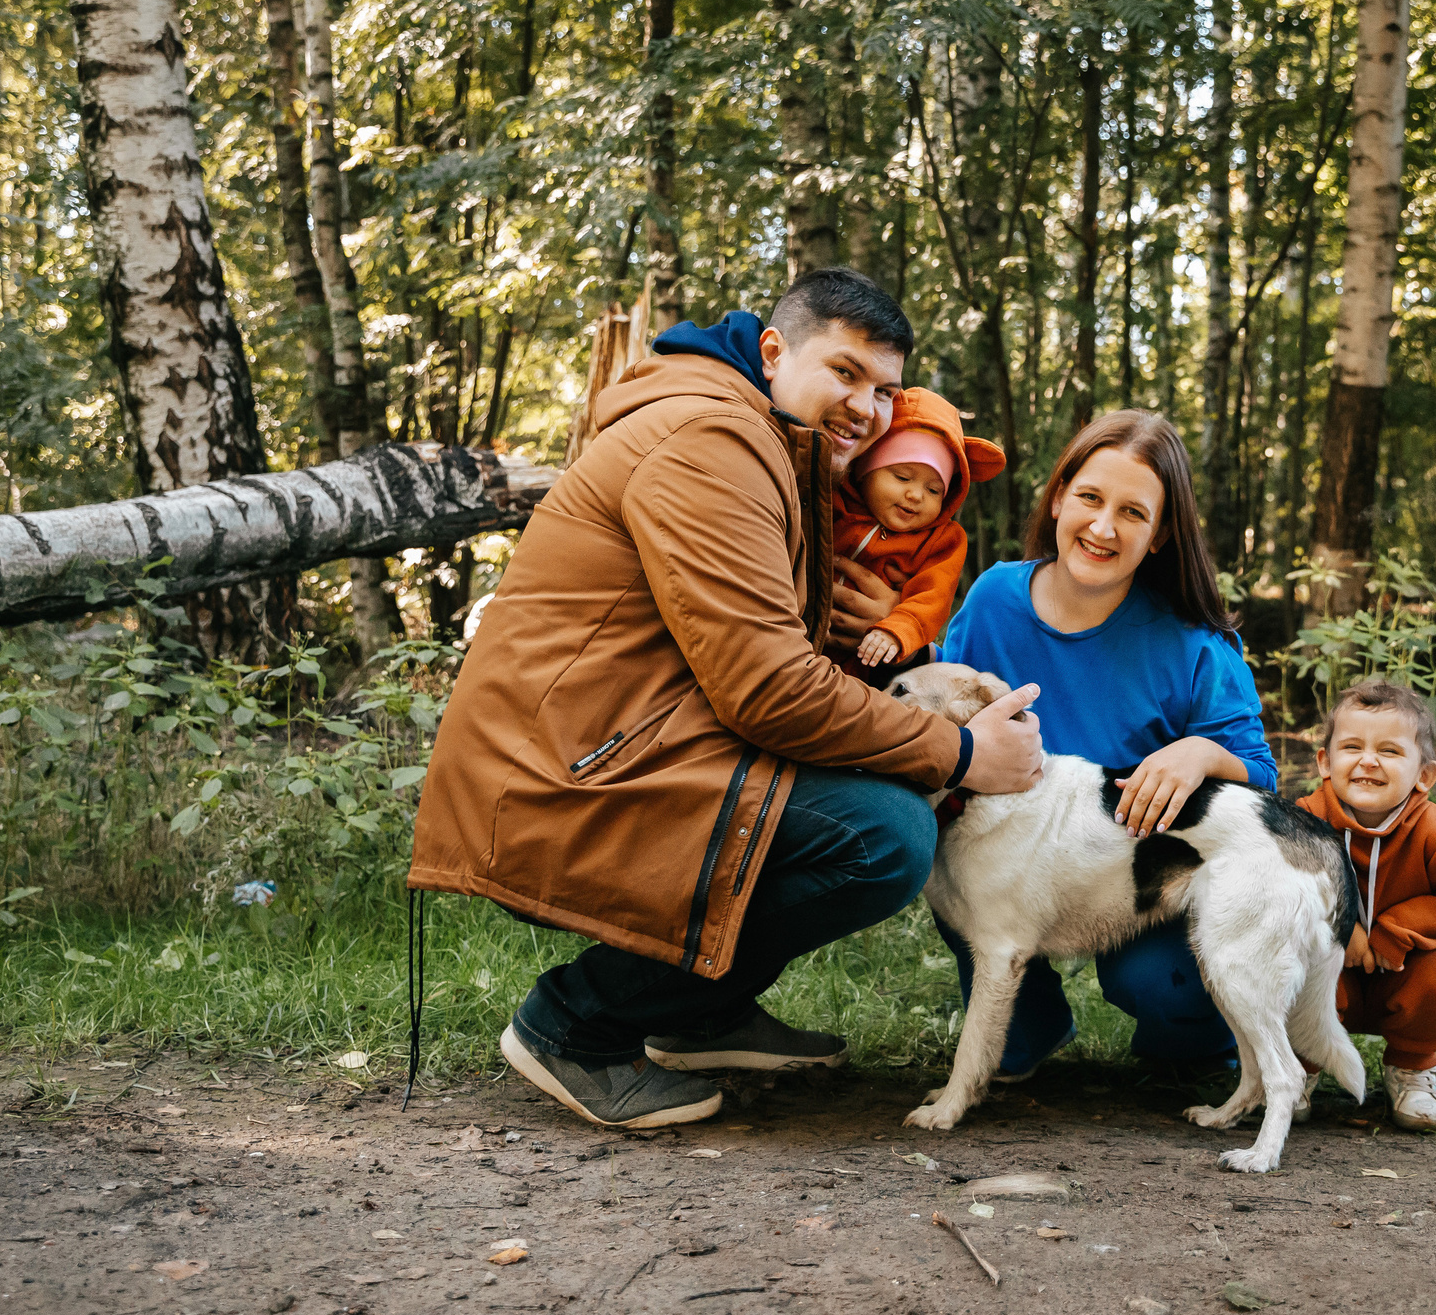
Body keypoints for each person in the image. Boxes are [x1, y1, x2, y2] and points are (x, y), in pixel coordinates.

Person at [407, 268, 1045, 1130]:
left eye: (887, 390)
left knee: (877, 809)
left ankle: (693, 1013)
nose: (867, 407)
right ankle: (578, 1022)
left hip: (634, 736)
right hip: (571, 764)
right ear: (775, 352)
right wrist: (962, 753)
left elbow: (759, 658)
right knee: (883, 836)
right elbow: (770, 691)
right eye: (846, 373)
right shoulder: (714, 441)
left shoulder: (767, 439)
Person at [936, 409, 1279, 1076]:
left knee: (1154, 984)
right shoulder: (993, 600)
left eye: (1132, 511)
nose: (1101, 526)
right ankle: (1027, 1026)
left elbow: (1261, 774)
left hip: (1139, 880)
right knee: (942, 842)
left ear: (1158, 536)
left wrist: (1199, 752)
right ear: (1059, 496)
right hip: (1012, 861)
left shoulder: (1187, 640)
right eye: (1089, 497)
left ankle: (1195, 1038)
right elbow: (945, 728)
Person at [1296, 676, 1436, 1132]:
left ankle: (1411, 1068)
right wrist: (1342, 927)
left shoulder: (1435, 832)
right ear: (1326, 762)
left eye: (1389, 751)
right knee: (1294, 961)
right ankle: (1297, 1067)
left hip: (1406, 973)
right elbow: (1281, 891)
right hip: (1333, 974)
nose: (1368, 760)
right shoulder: (1305, 820)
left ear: (1424, 774)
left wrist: (1392, 930)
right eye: (1352, 747)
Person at [832, 387, 1006, 670]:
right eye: (902, 477)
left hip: (866, 667)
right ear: (865, 468)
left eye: (934, 489)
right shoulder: (832, 500)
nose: (916, 495)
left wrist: (896, 629)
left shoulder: (941, 541)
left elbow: (932, 598)